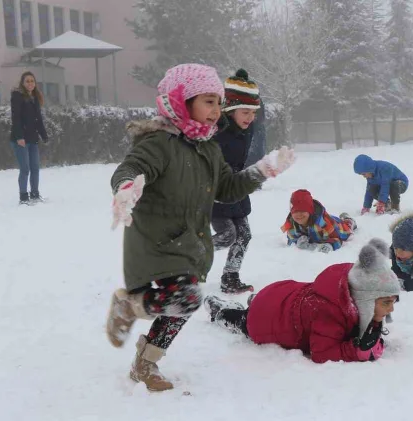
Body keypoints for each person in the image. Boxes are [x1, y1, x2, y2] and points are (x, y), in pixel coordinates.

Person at [104, 63, 295, 392]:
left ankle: (144, 364)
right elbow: (132, 167)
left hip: (189, 244)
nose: (216, 110)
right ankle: (128, 306)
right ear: (181, 100)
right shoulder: (158, 142)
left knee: (182, 305)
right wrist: (125, 188)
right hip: (156, 243)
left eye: (219, 102)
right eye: (208, 101)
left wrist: (263, 170)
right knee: (187, 299)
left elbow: (228, 188)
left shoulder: (208, 147)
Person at [203, 238, 401, 363]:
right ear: (365, 299)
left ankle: (255, 302)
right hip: (266, 320)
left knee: (265, 305)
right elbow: (322, 353)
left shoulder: (353, 283)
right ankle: (220, 311)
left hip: (281, 294)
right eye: (386, 302)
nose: (391, 308)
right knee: (244, 320)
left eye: (393, 301)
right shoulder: (329, 312)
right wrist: (354, 351)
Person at [211, 69, 262, 294]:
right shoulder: (215, 130)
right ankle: (188, 256)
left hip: (237, 188)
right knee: (226, 235)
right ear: (230, 109)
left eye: (253, 112)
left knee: (244, 234)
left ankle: (230, 277)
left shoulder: (247, 128)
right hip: (216, 191)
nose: (250, 117)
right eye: (245, 112)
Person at [10, 71, 48, 205]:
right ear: (22, 83)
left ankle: (35, 194)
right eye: (27, 81)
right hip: (20, 139)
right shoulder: (17, 96)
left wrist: (44, 135)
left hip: (32, 138)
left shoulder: (35, 97)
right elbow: (16, 118)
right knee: (25, 169)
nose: (30, 83)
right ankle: (23, 196)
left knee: (35, 168)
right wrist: (19, 137)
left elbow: (38, 119)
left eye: (32, 81)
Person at [281, 189, 357, 253]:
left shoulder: (323, 223)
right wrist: (297, 242)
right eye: (295, 212)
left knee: (346, 229)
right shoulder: (291, 224)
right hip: (325, 223)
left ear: (310, 211)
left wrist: (329, 245)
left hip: (336, 227)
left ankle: (348, 219)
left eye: (302, 211)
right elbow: (291, 240)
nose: (298, 215)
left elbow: (337, 240)